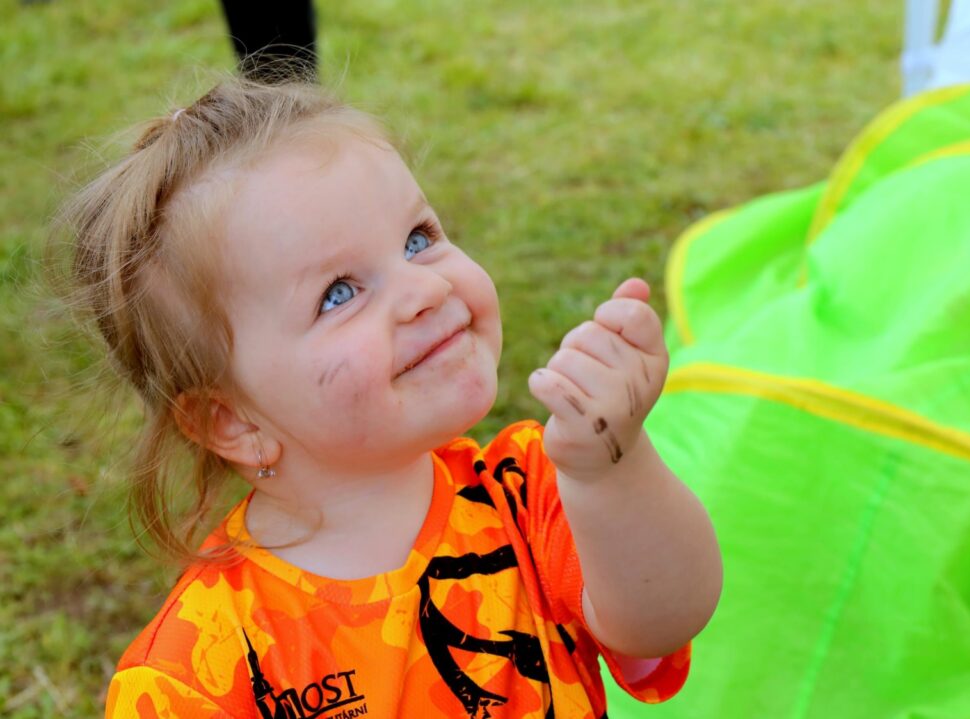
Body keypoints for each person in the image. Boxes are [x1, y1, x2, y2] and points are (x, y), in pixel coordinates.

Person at [59, 78, 722, 718]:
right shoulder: (199, 673)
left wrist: (612, 471)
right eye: (339, 293)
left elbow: (664, 617)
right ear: (231, 420)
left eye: (418, 239)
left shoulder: (526, 494)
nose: (425, 289)